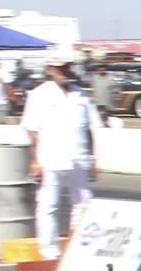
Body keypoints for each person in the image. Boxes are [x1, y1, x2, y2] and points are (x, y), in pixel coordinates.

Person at [21, 61, 100, 260]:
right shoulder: (39, 94)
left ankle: (78, 247)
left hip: (79, 157)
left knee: (83, 204)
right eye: (61, 69)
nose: (66, 72)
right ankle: (49, 250)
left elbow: (90, 129)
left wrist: (93, 158)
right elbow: (32, 130)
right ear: (50, 70)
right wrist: (35, 161)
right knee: (48, 204)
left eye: (68, 68)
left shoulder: (81, 95)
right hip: (50, 158)